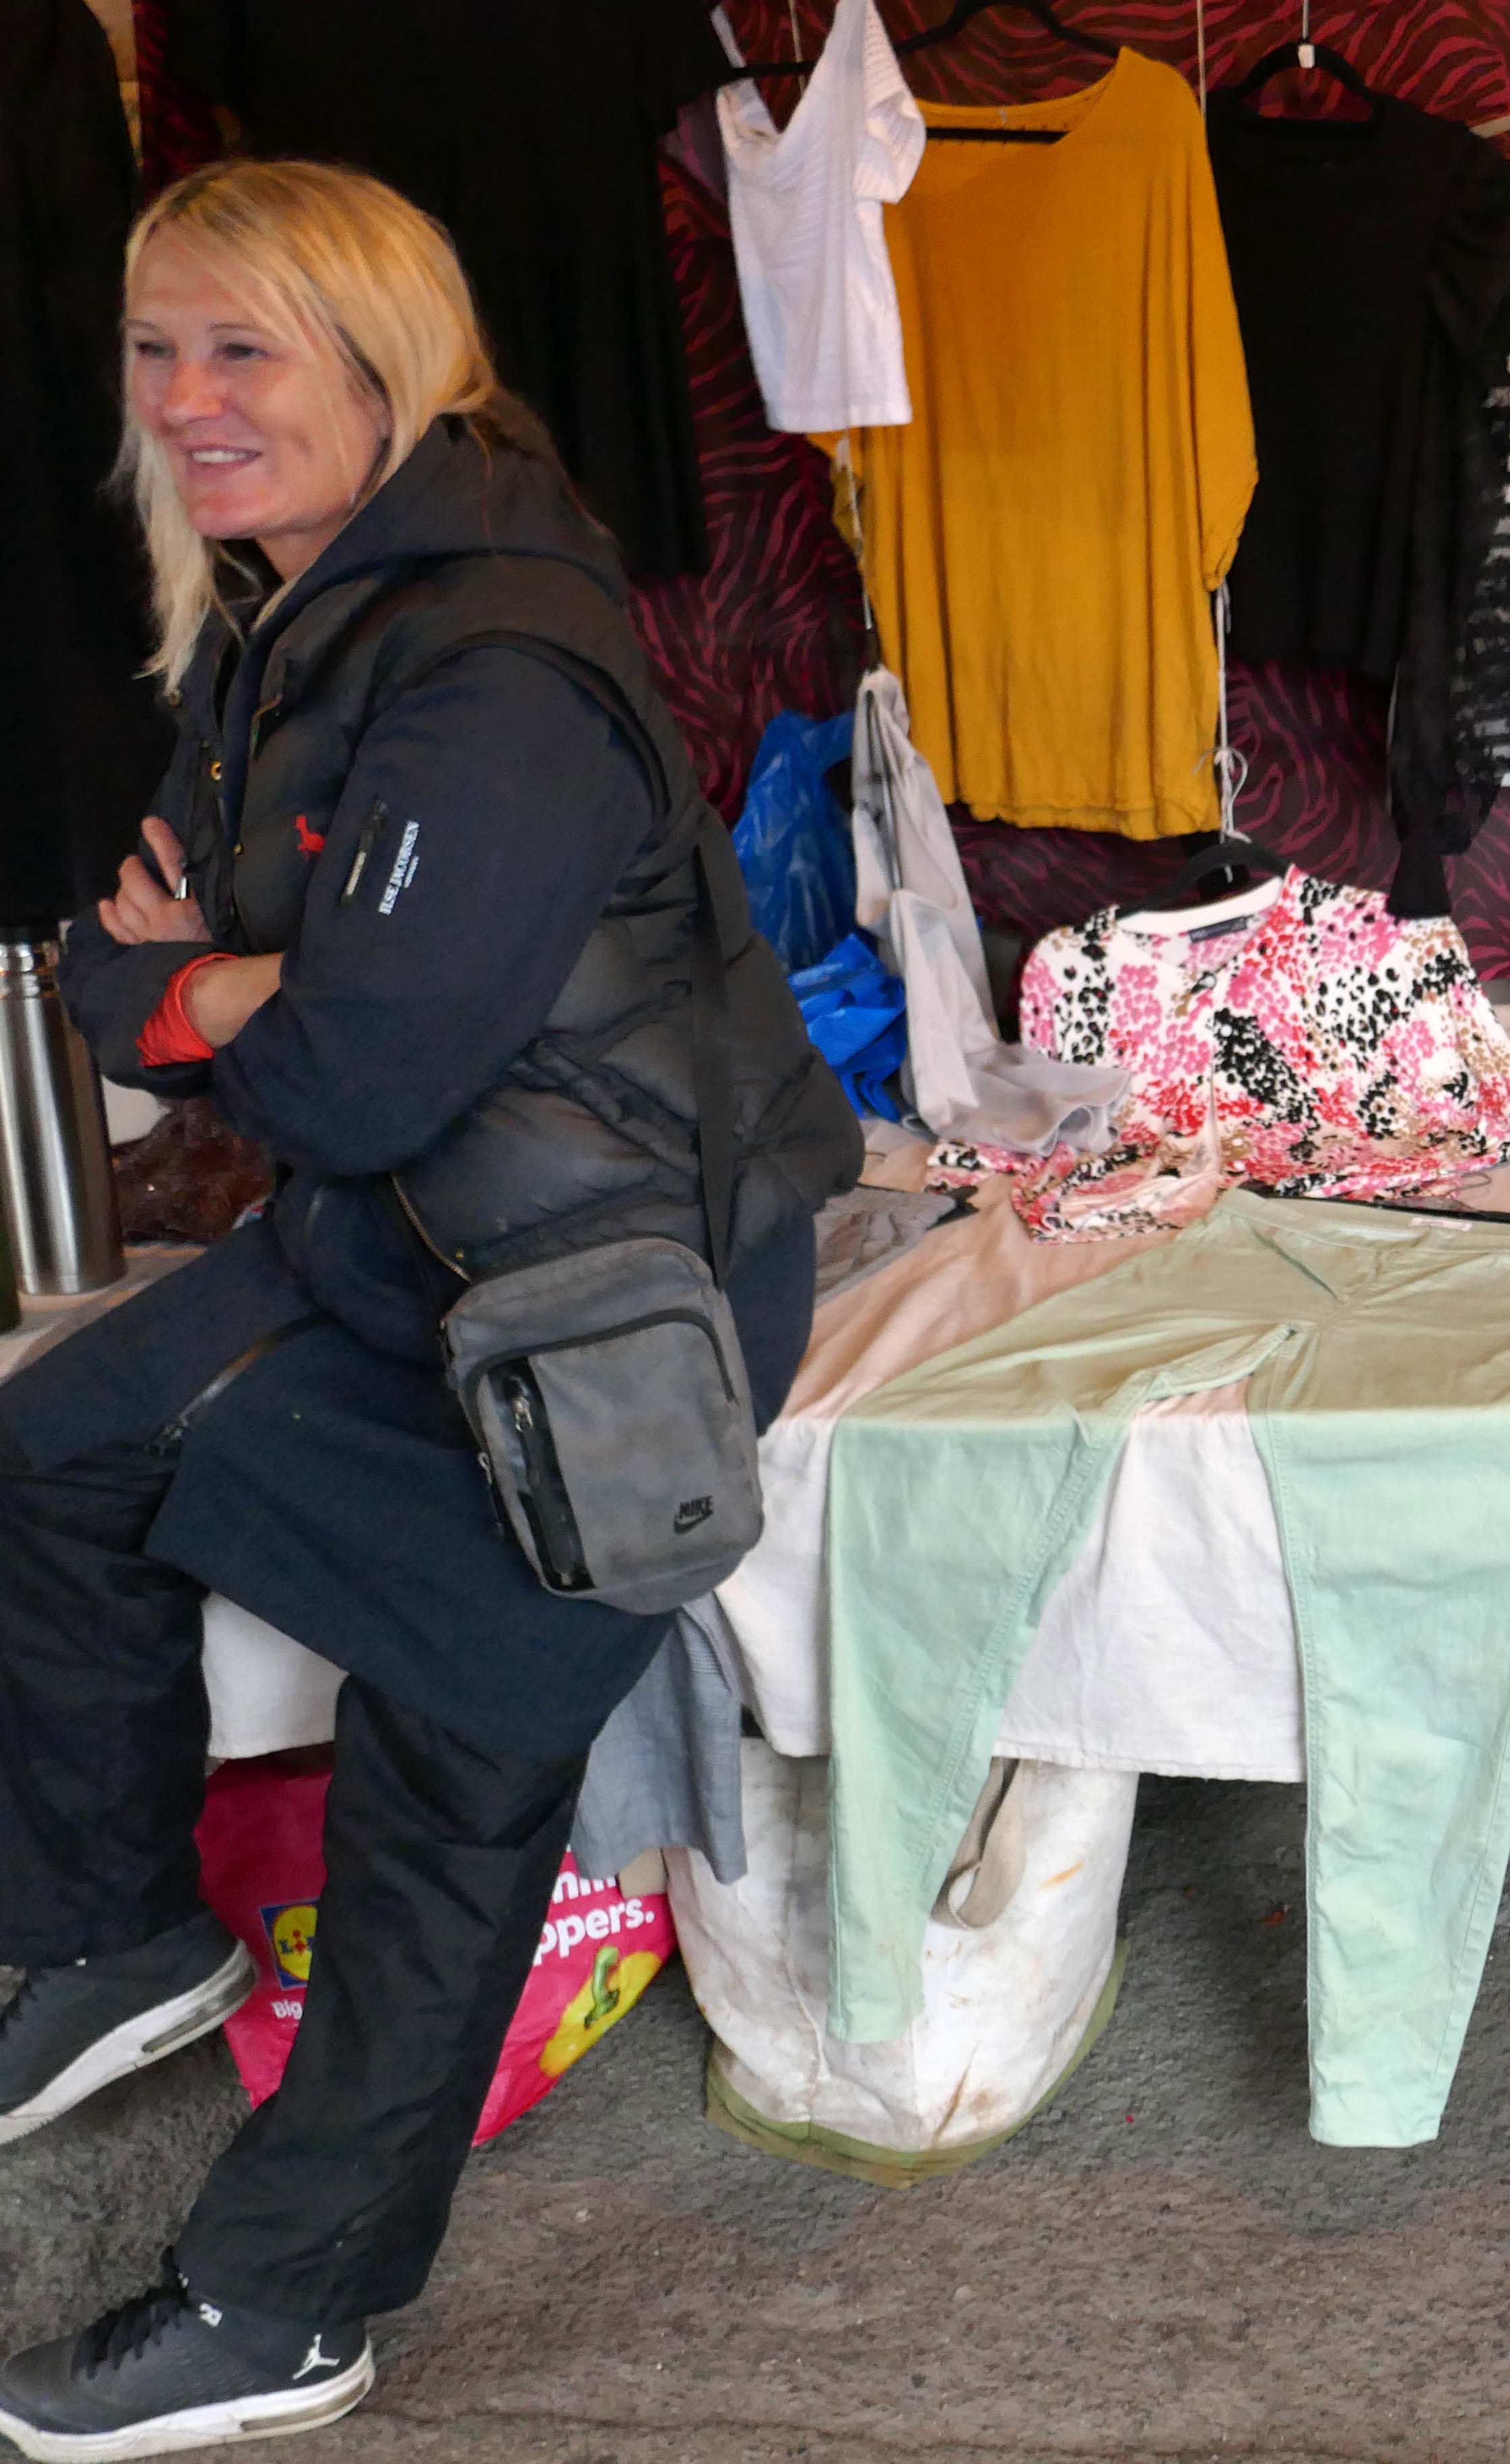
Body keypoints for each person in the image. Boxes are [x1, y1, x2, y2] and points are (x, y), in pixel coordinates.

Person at [0, 159, 857, 2459]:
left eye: (242, 347)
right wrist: (215, 989)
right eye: (157, 348)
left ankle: (286, 2305)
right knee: (49, 1451)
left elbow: (348, 1059)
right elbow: (121, 967)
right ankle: (117, 1933)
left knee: (449, 1781)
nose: (185, 398)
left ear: (381, 363)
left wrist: (208, 991)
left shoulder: (491, 665)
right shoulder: (291, 616)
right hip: (399, 1233)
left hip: (607, 1300)